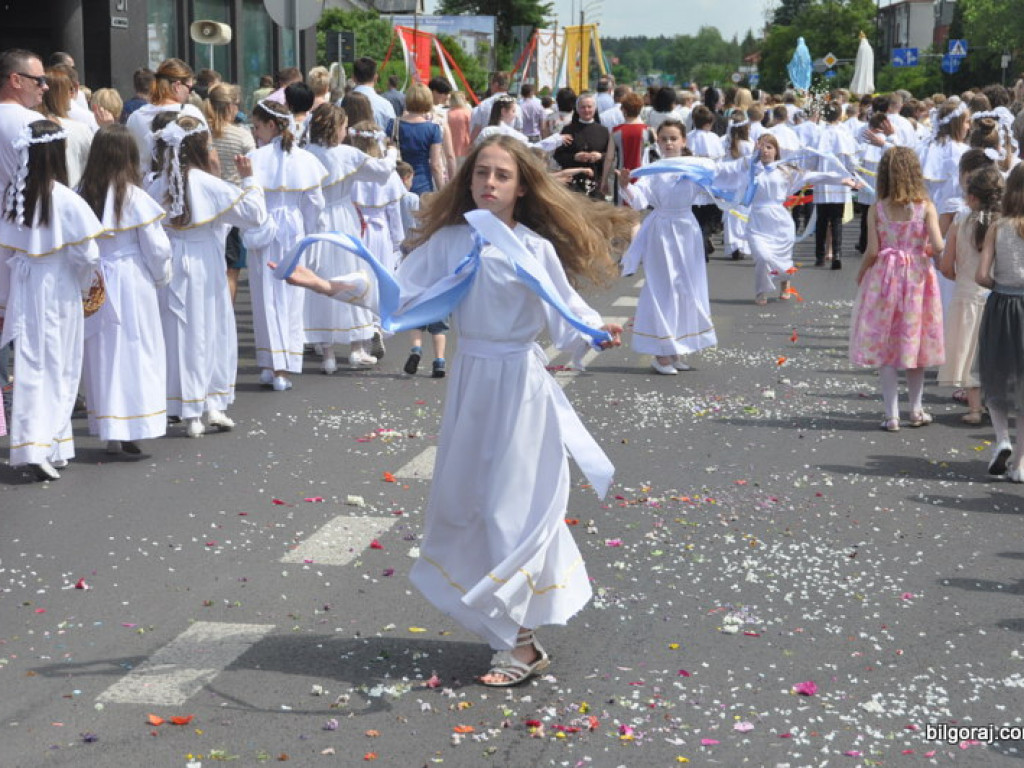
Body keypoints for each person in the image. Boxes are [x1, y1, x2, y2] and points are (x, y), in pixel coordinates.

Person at [279, 134, 628, 686]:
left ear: (521, 187)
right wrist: (326, 284)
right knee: (467, 505)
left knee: (507, 509)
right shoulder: (449, 241)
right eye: (481, 173)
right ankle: (511, 636)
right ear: (468, 180)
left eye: (502, 175)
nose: (489, 183)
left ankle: (521, 644)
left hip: (520, 387)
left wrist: (599, 330)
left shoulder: (534, 248)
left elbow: (570, 314)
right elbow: (398, 288)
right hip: (471, 384)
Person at [146, 115, 266, 437]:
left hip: (172, 263)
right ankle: (204, 405)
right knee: (210, 330)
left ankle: (196, 407)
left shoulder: (157, 184)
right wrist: (249, 180)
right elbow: (254, 215)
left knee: (181, 335)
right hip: (204, 263)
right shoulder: (208, 184)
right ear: (200, 147)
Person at [0, 119, 104, 480]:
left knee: (31, 366)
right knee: (59, 366)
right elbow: (88, 254)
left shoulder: (14, 195)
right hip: (58, 288)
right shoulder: (64, 198)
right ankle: (38, 446)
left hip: (24, 289)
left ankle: (51, 445)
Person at [77, 124, 172, 455]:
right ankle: (132, 425)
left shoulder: (81, 193)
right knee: (135, 351)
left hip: (95, 280)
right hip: (131, 280)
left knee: (101, 354)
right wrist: (162, 277)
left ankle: (108, 426)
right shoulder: (134, 197)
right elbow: (157, 248)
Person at [850, 147, 945, 432]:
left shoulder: (877, 208)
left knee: (885, 343)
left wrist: (861, 275)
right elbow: (938, 246)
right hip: (918, 279)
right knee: (915, 342)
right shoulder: (925, 206)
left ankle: (891, 414)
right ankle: (915, 409)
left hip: (885, 278)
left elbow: (872, 250)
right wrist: (923, 249)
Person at [617, 119, 716, 374]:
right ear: (657, 143)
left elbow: (715, 189)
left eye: (674, 138)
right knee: (662, 287)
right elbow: (639, 201)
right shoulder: (653, 170)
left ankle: (676, 347)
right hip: (661, 229)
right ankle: (660, 353)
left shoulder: (695, 167)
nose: (669, 143)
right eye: (664, 139)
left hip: (687, 228)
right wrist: (626, 185)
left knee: (686, 286)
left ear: (684, 141)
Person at [304, 104, 396, 373]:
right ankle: (356, 348)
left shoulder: (307, 153)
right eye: (344, 126)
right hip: (343, 218)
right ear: (337, 128)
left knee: (322, 278)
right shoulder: (348, 154)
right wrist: (391, 153)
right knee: (354, 277)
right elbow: (381, 173)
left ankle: (327, 352)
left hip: (317, 220)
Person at [244, 99, 327, 390]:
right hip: (293, 226)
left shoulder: (256, 157)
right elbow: (315, 202)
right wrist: (309, 227)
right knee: (290, 298)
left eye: (257, 127)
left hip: (266, 225)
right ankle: (282, 366)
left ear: (271, 125)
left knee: (266, 295)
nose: (255, 133)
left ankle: (273, 364)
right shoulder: (302, 159)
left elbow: (249, 199)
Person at [938, 165, 1002, 425]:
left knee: (970, 353)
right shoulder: (1004, 225)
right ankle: (994, 404)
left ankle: (975, 408)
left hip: (966, 295)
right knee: (996, 352)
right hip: (997, 294)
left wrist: (960, 277)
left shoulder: (960, 222)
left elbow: (945, 265)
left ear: (972, 197)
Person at [976, 163, 1024, 480]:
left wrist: (1001, 288)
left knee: (996, 374)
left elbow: (981, 274)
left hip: (1002, 305)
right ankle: (1019, 464)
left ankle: (1002, 439)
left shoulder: (997, 226)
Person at [204, 83, 255, 304]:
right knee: (231, 269)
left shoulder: (202, 132)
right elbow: (254, 165)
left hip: (206, 202)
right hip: (233, 204)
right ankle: (227, 317)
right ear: (231, 107)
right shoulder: (242, 136)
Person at [125, 58, 207, 162]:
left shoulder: (135, 117)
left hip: (144, 177)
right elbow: (209, 158)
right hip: (181, 177)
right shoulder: (191, 113)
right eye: (189, 88)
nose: (189, 93)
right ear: (177, 86)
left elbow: (129, 158)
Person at [813, 100, 859, 270]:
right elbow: (851, 158)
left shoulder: (819, 134)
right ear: (840, 115)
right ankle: (837, 254)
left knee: (822, 220)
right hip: (840, 182)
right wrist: (853, 174)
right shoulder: (844, 134)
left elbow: (811, 158)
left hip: (823, 181)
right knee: (837, 219)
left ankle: (820, 255)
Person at [40, 65, 92, 188]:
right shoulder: (80, 129)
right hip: (74, 193)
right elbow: (94, 164)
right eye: (69, 89)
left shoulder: (34, 125)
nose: (72, 93)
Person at [552, 92, 612, 198]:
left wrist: (600, 156)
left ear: (595, 108)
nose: (586, 110)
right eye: (583, 107)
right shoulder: (568, 130)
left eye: (589, 107)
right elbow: (558, 155)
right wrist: (574, 157)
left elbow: (611, 155)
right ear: (577, 109)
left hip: (596, 180)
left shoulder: (603, 131)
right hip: (573, 183)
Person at [396, 82, 444, 194]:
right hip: (422, 183)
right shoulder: (433, 129)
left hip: (397, 182)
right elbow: (435, 165)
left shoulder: (393, 125)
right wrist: (442, 191)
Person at [348, 57, 395, 136]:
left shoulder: (340, 102)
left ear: (353, 78)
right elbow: (392, 133)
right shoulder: (385, 105)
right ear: (375, 77)